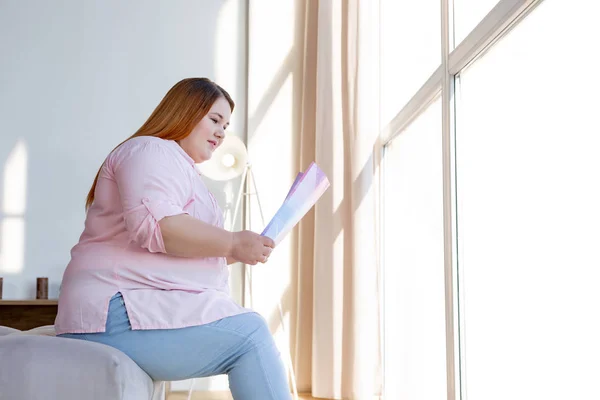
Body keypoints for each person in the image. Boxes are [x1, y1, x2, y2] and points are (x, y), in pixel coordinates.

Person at [55, 78, 292, 400]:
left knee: (249, 329)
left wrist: (237, 250)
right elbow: (159, 227)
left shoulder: (177, 165)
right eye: (214, 120)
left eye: (226, 125)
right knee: (249, 335)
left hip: (128, 305)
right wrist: (233, 243)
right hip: (111, 311)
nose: (222, 133)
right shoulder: (149, 150)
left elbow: (176, 244)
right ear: (185, 112)